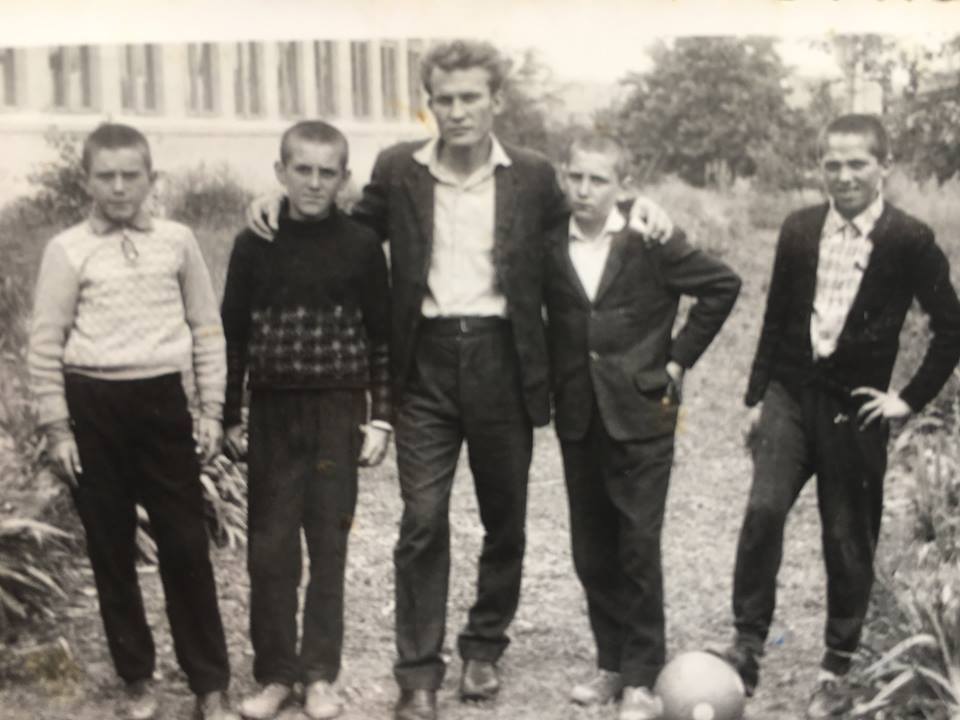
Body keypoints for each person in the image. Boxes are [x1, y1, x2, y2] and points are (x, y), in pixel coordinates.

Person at [246, 40, 672, 720]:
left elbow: (588, 217)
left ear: (495, 101)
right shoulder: (400, 169)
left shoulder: (532, 175)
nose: (457, 111)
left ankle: (484, 644)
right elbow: (348, 231)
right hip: (426, 363)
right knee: (422, 519)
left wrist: (640, 206)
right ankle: (418, 674)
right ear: (430, 104)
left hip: (505, 359)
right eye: (444, 99)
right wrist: (280, 198)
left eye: (471, 97)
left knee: (505, 520)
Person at [717, 113, 960, 719]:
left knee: (847, 534)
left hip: (856, 410)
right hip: (791, 395)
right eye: (833, 164)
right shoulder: (800, 229)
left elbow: (951, 326)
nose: (845, 175)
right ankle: (747, 644)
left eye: (858, 164)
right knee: (764, 509)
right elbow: (777, 318)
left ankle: (838, 666)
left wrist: (908, 399)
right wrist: (757, 398)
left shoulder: (908, 238)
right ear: (819, 167)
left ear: (885, 167)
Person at [27, 123, 238, 720]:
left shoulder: (177, 241)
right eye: (106, 177)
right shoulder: (67, 249)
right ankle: (137, 678)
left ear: (150, 179)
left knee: (185, 545)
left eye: (130, 176)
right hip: (92, 407)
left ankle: (209, 683)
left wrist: (211, 409)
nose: (118, 188)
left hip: (162, 404)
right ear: (86, 181)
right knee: (110, 548)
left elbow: (206, 329)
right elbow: (45, 343)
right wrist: (58, 428)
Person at [544, 134, 740, 720]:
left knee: (637, 544)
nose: (584, 190)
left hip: (641, 412)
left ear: (623, 187)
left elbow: (721, 285)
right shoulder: (550, 240)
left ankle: (642, 677)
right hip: (580, 412)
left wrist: (676, 359)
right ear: (564, 177)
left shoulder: (650, 240)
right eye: (576, 177)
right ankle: (611, 663)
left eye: (598, 180)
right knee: (591, 548)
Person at [222, 120, 392, 720]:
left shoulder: (362, 245)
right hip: (273, 411)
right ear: (281, 172)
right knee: (270, 552)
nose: (314, 183)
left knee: (327, 545)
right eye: (303, 170)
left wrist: (382, 418)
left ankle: (320, 675)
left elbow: (382, 339)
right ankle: (275, 674)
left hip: (337, 411)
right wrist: (231, 415)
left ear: (344, 178)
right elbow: (233, 338)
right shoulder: (253, 244)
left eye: (327, 172)